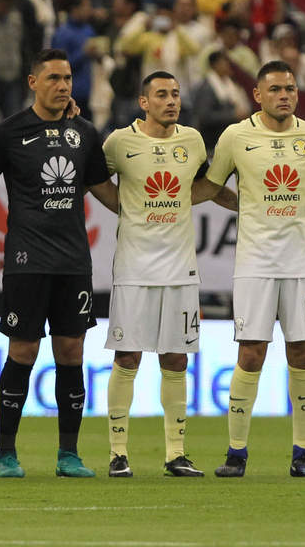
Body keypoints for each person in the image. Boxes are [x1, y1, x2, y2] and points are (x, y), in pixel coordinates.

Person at [196, 61, 305, 478]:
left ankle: (303, 455)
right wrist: (163, 199)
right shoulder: (236, 136)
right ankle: (236, 454)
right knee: (251, 353)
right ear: (257, 95)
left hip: (301, 262)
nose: (285, 95)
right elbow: (211, 185)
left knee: (303, 353)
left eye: (290, 89)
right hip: (255, 261)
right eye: (275, 89)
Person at [0, 48, 115, 478]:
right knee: (23, 350)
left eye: (68, 78)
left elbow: (104, 191)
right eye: (53, 78)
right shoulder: (6, 134)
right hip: (25, 259)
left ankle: (68, 454)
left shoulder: (85, 133)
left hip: (74, 260)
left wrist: (152, 208)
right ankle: (6, 453)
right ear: (33, 82)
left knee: (72, 351)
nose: (63, 86)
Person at [100, 71, 235, 478]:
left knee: (176, 359)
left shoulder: (192, 141)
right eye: (162, 95)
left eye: (175, 94)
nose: (171, 101)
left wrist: (251, 206)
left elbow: (206, 185)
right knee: (128, 356)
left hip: (180, 269)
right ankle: (118, 453)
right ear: (144, 102)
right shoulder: (120, 142)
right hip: (134, 268)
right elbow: (94, 180)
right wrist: (126, 207)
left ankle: (176, 453)